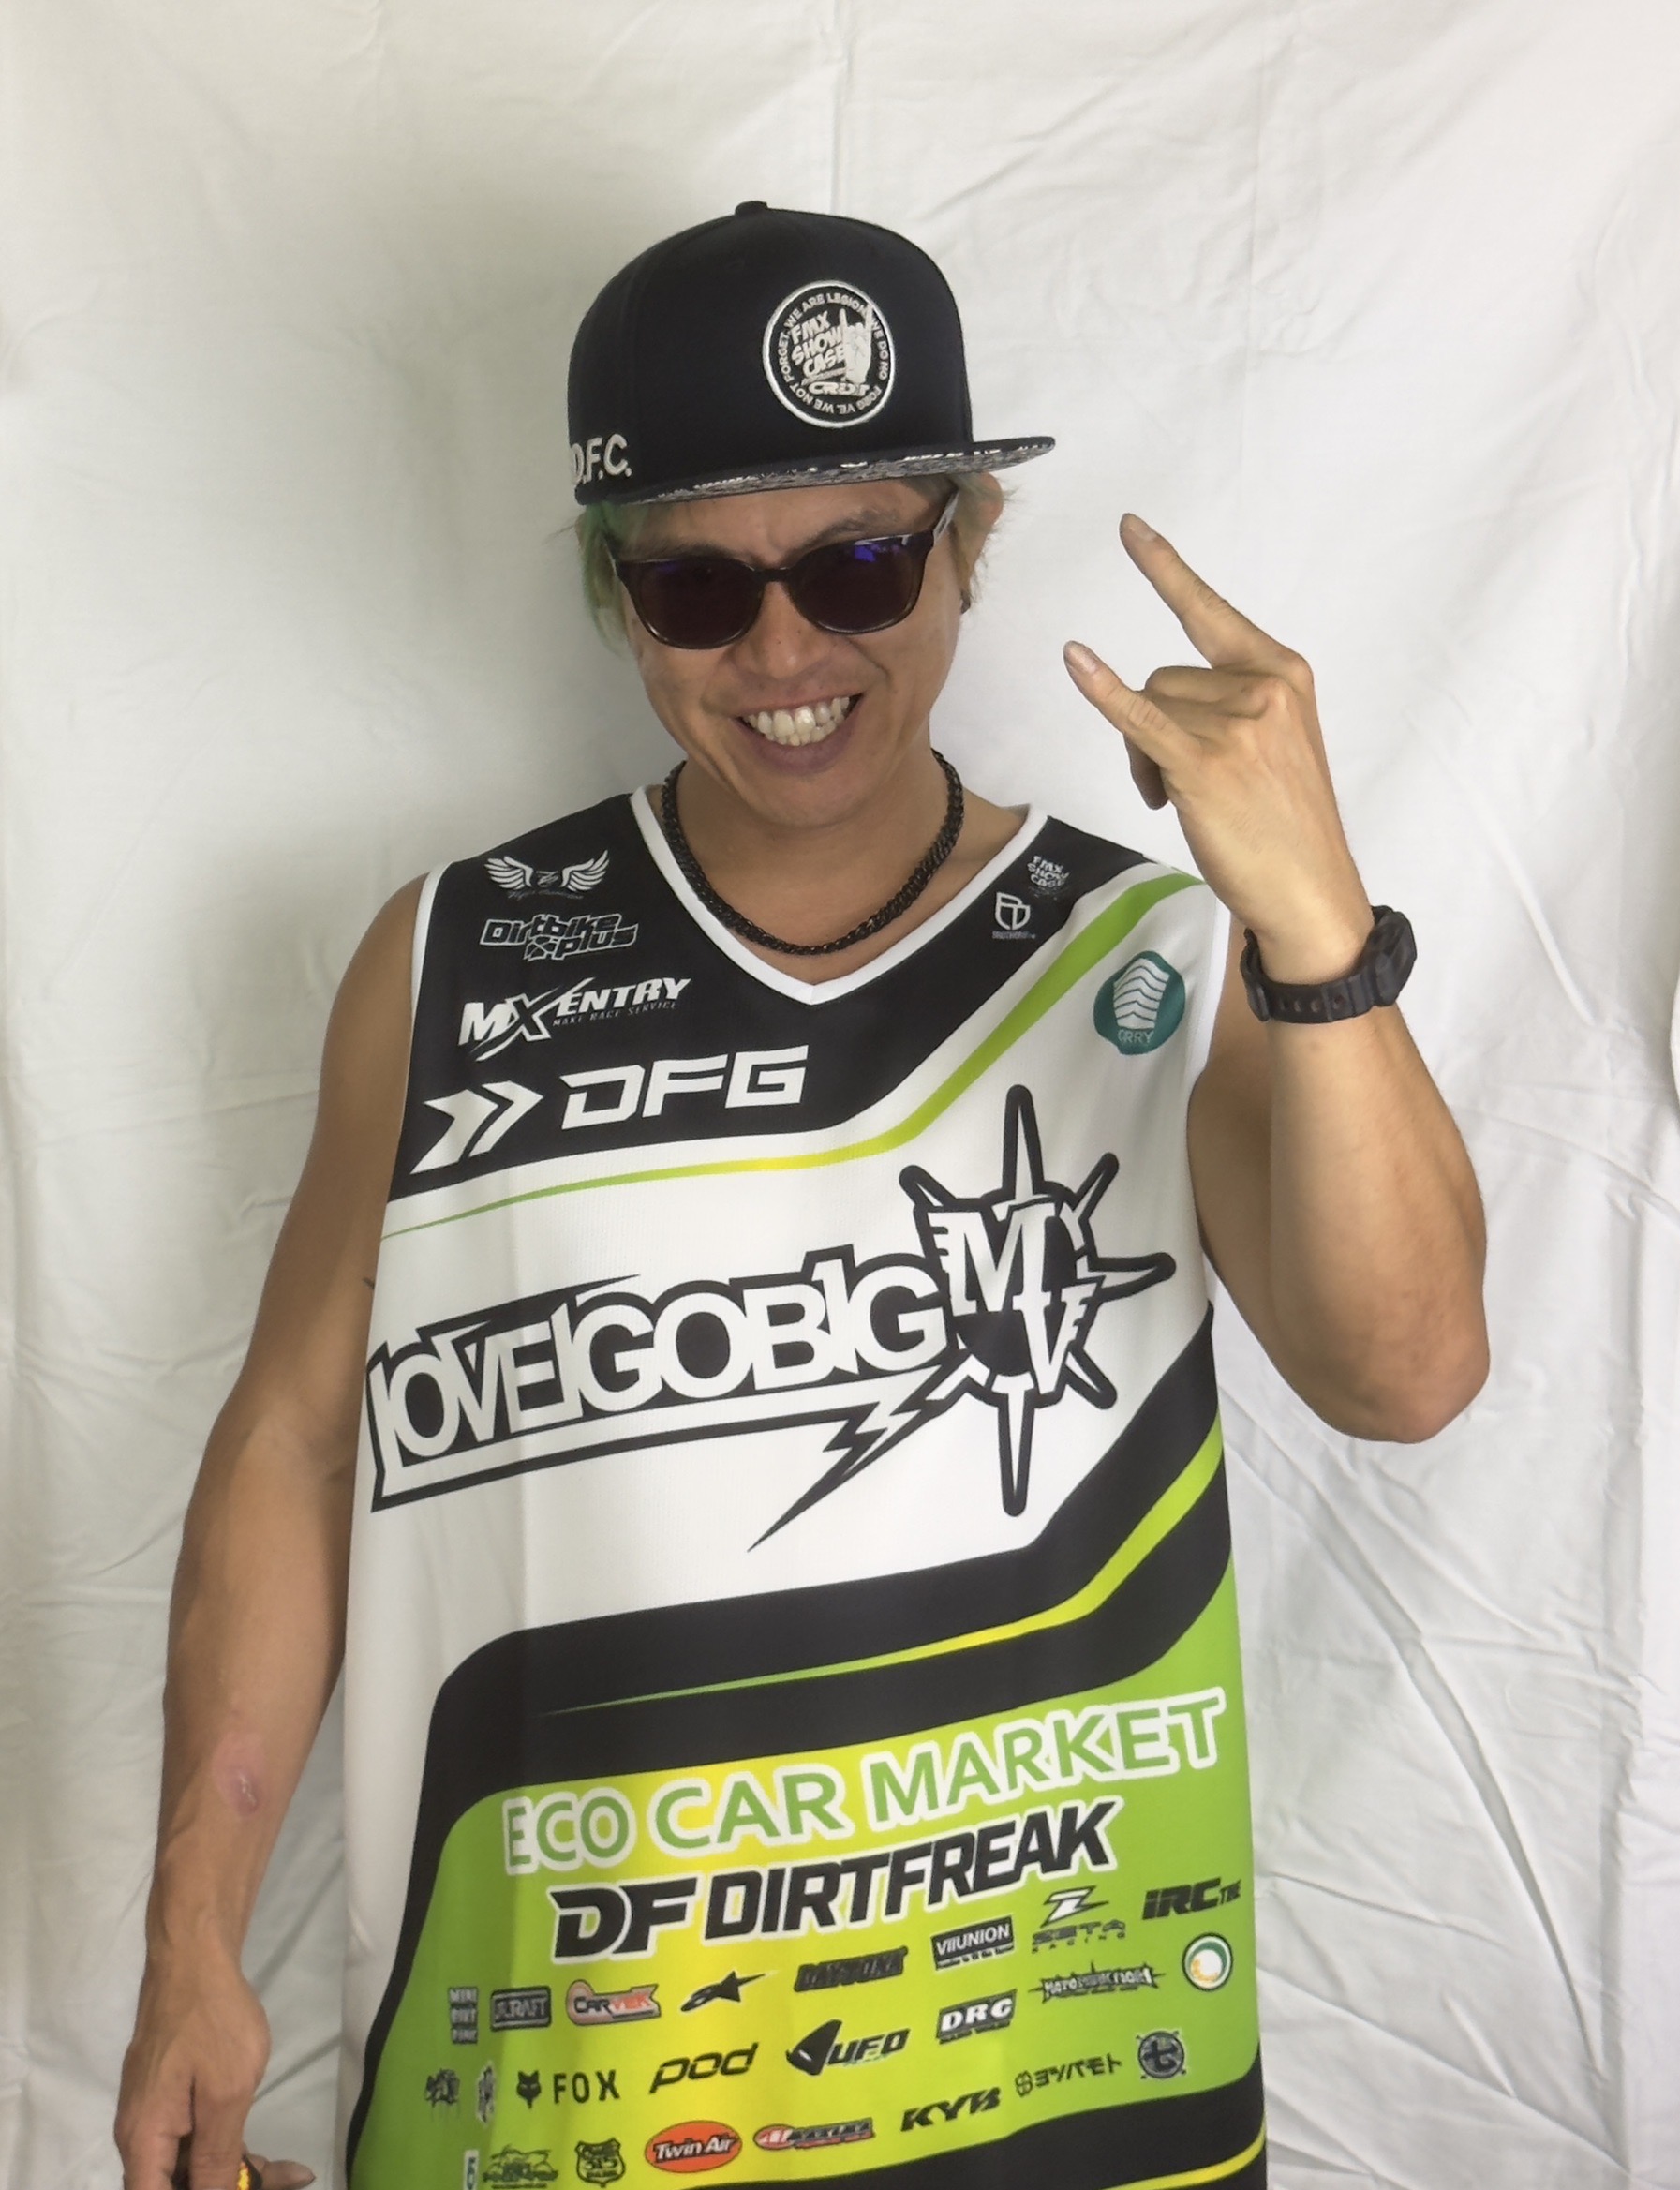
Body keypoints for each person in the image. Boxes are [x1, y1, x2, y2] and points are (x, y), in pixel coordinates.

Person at [115, 202, 1487, 2190]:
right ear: (616, 598)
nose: (781, 653)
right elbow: (296, 1441)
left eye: (857, 566)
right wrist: (191, 1929)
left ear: (967, 544)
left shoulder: (1157, 955)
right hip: (563, 2104)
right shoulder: (453, 959)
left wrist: (1318, 923)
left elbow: (1408, 1370)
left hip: (1063, 2096)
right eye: (695, 588)